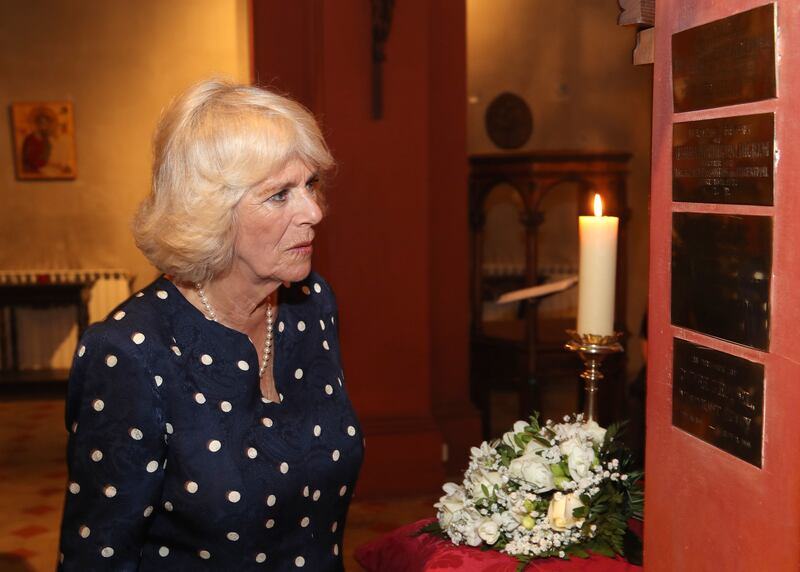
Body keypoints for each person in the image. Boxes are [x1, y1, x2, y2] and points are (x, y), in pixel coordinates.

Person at [58, 79, 363, 570]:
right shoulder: (130, 351)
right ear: (210, 213)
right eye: (279, 194)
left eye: (310, 185)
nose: (314, 211)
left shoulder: (311, 304)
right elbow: (99, 554)